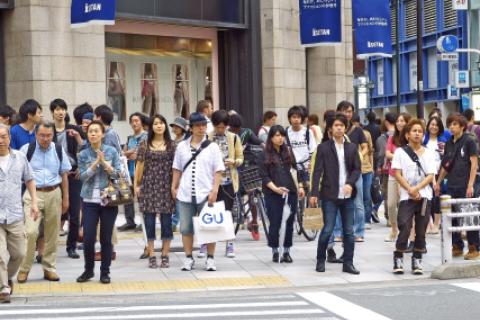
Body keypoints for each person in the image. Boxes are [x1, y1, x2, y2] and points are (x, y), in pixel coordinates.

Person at [16, 121, 71, 283]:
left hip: (54, 193)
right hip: (33, 194)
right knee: (31, 232)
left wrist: (66, 199)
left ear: (53, 135)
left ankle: (49, 268)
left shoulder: (58, 149)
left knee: (52, 234)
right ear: (35, 135)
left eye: (48, 135)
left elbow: (65, 175)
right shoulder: (26, 150)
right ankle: (24, 269)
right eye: (42, 135)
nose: (45, 139)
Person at [171, 112, 224, 272]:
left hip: (205, 192)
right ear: (191, 128)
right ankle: (188, 258)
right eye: (198, 126)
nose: (201, 129)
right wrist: (174, 186)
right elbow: (177, 167)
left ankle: (210, 258)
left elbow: (218, 170)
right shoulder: (181, 146)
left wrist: (215, 189)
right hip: (185, 193)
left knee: (210, 227)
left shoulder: (213, 147)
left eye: (204, 126)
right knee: (186, 228)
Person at [310, 113, 361, 275]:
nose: (339, 128)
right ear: (331, 129)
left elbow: (357, 169)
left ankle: (348, 263)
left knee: (349, 231)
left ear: (345, 128)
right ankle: (320, 260)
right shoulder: (323, 148)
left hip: (347, 196)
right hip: (329, 195)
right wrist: (314, 193)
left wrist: (350, 183)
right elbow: (317, 172)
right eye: (336, 125)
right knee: (327, 229)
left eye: (342, 125)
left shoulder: (352, 147)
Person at [76, 120, 122, 284]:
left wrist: (106, 165)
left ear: (102, 134)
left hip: (108, 201)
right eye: (90, 131)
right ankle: (88, 270)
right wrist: (96, 164)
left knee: (106, 238)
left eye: (96, 131)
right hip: (89, 200)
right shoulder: (83, 154)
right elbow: (81, 177)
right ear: (87, 135)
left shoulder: (112, 151)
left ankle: (105, 272)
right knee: (88, 238)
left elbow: (118, 174)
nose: (93, 134)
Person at [0, 124, 39, 303]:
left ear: (9, 137)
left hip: (15, 214)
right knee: (0, 255)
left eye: (3, 136)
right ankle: (3, 289)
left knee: (20, 253)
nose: (1, 140)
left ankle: (6, 278)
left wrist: (34, 202)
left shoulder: (20, 157)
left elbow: (29, 179)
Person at [391, 119, 435, 275]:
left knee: (421, 229)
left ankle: (417, 260)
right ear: (408, 134)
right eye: (414, 131)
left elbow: (430, 175)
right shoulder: (400, 152)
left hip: (424, 197)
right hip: (406, 196)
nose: (417, 133)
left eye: (420, 131)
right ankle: (398, 256)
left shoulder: (429, 153)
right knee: (404, 225)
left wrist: (417, 188)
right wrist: (410, 189)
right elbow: (397, 173)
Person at [257, 125, 304, 263]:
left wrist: (300, 186)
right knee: (275, 222)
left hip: (291, 192)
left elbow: (296, 170)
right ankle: (275, 250)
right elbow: (264, 176)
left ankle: (287, 251)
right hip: (273, 193)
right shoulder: (263, 154)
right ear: (271, 137)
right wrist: (275, 189)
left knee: (290, 222)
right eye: (277, 135)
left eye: (282, 135)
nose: (280, 138)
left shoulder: (289, 152)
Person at [436, 113, 480, 260]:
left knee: (468, 216)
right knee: (452, 217)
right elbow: (445, 165)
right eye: (450, 124)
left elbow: (474, 164)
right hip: (452, 184)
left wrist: (470, 185)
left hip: (466, 184)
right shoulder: (449, 143)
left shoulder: (469, 141)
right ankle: (457, 246)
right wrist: (438, 182)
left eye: (455, 124)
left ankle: (474, 247)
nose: (452, 127)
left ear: (462, 126)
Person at [135, 114, 176, 269]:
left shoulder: (172, 145)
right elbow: (139, 166)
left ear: (165, 126)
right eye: (156, 123)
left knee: (167, 222)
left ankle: (165, 255)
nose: (159, 126)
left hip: (166, 187)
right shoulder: (144, 145)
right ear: (151, 127)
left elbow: (176, 168)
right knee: (150, 222)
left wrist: (175, 186)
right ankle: (152, 255)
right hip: (148, 186)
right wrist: (137, 186)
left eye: (161, 123)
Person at [50, 99, 84, 259]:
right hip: (54, 177)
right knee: (53, 213)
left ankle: (72, 247)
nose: (60, 112)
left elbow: (86, 149)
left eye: (62, 108)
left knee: (75, 213)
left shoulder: (74, 129)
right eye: (57, 109)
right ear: (52, 112)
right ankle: (48, 247)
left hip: (73, 175)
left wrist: (81, 168)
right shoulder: (47, 130)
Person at [207, 110, 244, 258]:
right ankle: (206, 243)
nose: (221, 130)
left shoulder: (234, 138)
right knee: (210, 214)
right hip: (210, 183)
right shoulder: (207, 137)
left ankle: (229, 244)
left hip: (228, 181)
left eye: (223, 127)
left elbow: (241, 157)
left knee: (228, 214)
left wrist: (234, 162)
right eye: (218, 127)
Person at [336, 101, 367, 242]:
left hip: (355, 169)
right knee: (338, 200)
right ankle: (338, 232)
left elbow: (365, 147)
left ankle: (359, 231)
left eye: (349, 111)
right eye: (344, 111)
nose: (347, 114)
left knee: (358, 202)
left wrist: (359, 155)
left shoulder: (357, 130)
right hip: (338, 170)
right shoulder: (334, 128)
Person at [118, 113, 147, 232]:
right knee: (127, 199)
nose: (134, 123)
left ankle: (144, 222)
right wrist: (129, 153)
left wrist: (129, 153)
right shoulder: (130, 138)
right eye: (132, 121)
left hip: (141, 172)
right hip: (128, 172)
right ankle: (130, 222)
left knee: (142, 199)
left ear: (142, 122)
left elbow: (139, 154)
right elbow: (122, 153)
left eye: (137, 121)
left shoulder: (146, 136)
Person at [385, 112, 412, 242]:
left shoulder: (410, 137)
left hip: (407, 176)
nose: (399, 123)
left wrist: (395, 155)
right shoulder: (392, 138)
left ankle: (406, 231)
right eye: (398, 121)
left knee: (405, 204)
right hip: (393, 174)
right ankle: (394, 229)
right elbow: (387, 153)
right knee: (390, 204)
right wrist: (400, 156)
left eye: (402, 121)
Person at [423, 116, 447, 234]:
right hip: (426, 173)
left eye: (436, 125)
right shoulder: (424, 140)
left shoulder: (443, 140)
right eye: (432, 124)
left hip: (440, 173)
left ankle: (437, 224)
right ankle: (429, 223)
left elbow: (447, 157)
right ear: (428, 126)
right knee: (427, 198)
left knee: (437, 197)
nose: (434, 127)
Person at [374, 113, 397, 224]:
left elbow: (382, 154)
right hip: (401, 169)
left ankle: (389, 218)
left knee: (388, 193)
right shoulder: (401, 134)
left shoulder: (382, 138)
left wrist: (378, 166)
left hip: (388, 169)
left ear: (386, 122)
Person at [286, 106, 316, 184]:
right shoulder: (286, 132)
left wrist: (311, 164)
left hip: (306, 168)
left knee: (308, 191)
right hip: (292, 169)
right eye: (294, 117)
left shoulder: (308, 132)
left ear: (302, 119)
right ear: (289, 119)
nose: (296, 120)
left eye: (298, 117)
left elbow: (313, 150)